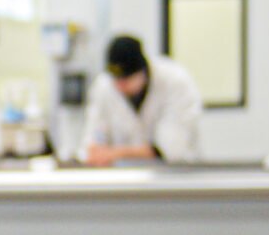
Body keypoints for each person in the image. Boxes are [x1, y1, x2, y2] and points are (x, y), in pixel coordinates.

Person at [81, 34, 202, 165]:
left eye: (126, 79)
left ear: (142, 71)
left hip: (174, 175)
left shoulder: (175, 82)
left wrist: (113, 154)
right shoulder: (104, 86)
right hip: (122, 178)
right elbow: (93, 142)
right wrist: (98, 150)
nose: (120, 85)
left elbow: (169, 150)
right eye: (116, 79)